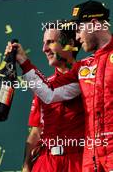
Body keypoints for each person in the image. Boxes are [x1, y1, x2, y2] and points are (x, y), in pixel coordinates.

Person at [6, 0, 113, 172]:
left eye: (78, 30)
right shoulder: (84, 66)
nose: (76, 37)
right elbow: (49, 94)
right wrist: (23, 62)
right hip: (90, 154)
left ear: (93, 24)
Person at [22, 20, 85, 172]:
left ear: (69, 43)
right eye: (44, 43)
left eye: (50, 42)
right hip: (46, 162)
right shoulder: (44, 85)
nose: (44, 49)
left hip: (79, 160)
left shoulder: (87, 75)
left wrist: (22, 61)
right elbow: (36, 131)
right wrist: (26, 166)